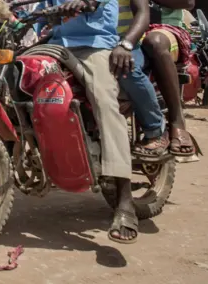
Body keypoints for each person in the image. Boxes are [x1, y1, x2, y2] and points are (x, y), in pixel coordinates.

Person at [35, 0, 137, 243]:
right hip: (56, 46)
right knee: (17, 82)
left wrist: (82, 4)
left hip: (94, 46)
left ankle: (125, 199)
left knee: (104, 102)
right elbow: (39, 13)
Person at [140, 0, 197, 157]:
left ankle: (177, 121)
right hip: (122, 28)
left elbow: (188, 2)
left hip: (165, 28)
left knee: (154, 42)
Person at [115, 0, 169, 159]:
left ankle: (155, 131)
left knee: (127, 71)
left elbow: (143, 14)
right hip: (91, 43)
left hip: (128, 43)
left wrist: (126, 44)